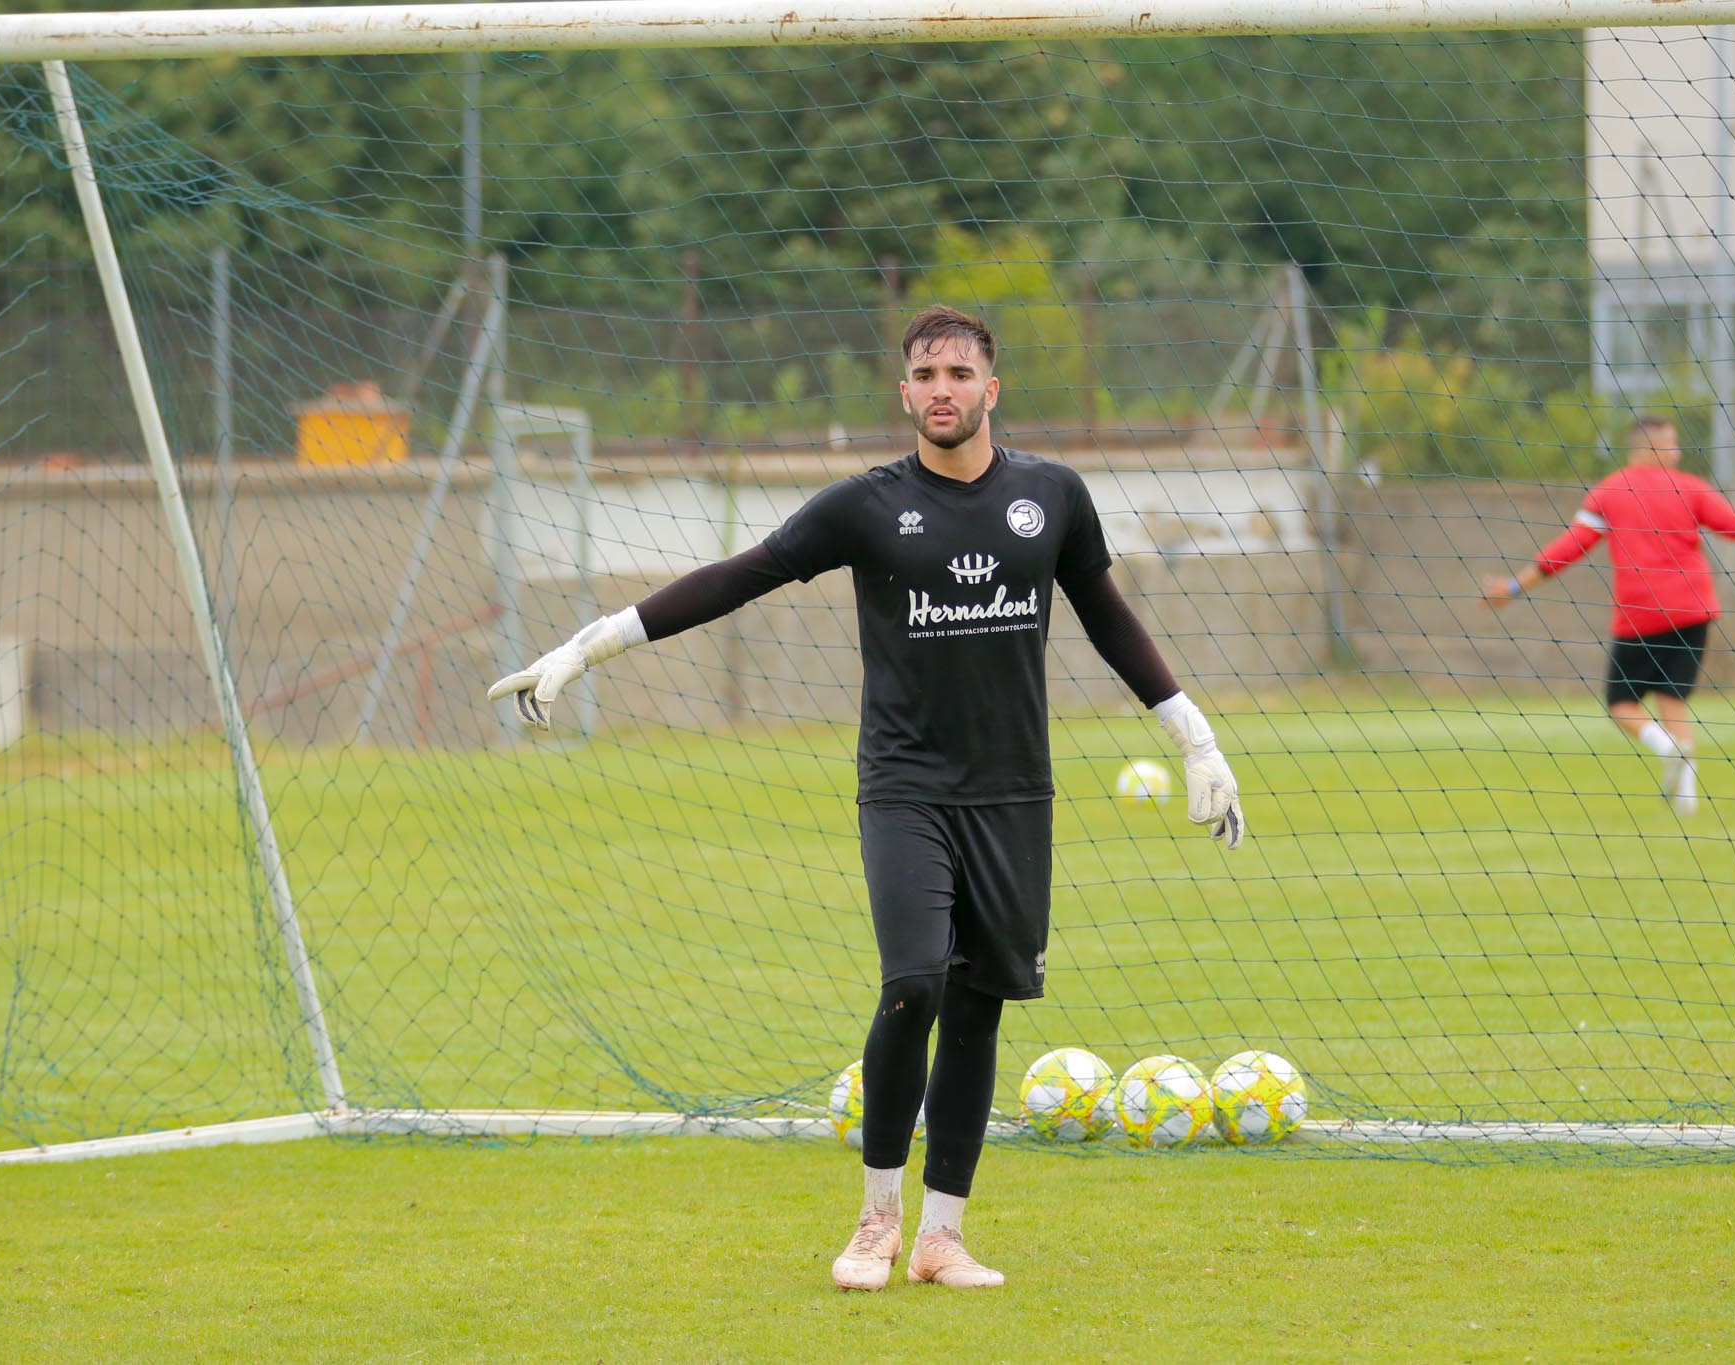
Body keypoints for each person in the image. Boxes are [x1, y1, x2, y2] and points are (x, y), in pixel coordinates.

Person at [487, 305, 1247, 1291]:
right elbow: (738, 577)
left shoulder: (1050, 497)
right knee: (914, 981)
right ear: (904, 393)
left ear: (989, 389)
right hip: (904, 787)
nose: (941, 390)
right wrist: (587, 647)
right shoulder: (865, 507)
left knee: (977, 1010)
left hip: (1014, 795)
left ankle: (942, 1238)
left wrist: (1195, 738)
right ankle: (874, 1222)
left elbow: (1108, 618)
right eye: (924, 374)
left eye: (958, 374)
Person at [1483, 415, 1735, 814]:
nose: (1677, 453)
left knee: (1621, 704)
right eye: (1671, 445)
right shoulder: (1690, 489)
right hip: (1694, 612)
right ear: (1649, 448)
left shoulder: (1610, 491)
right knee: (1673, 701)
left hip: (1640, 616)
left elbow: (1569, 549)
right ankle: (1685, 795)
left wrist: (1514, 587)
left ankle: (1668, 755)